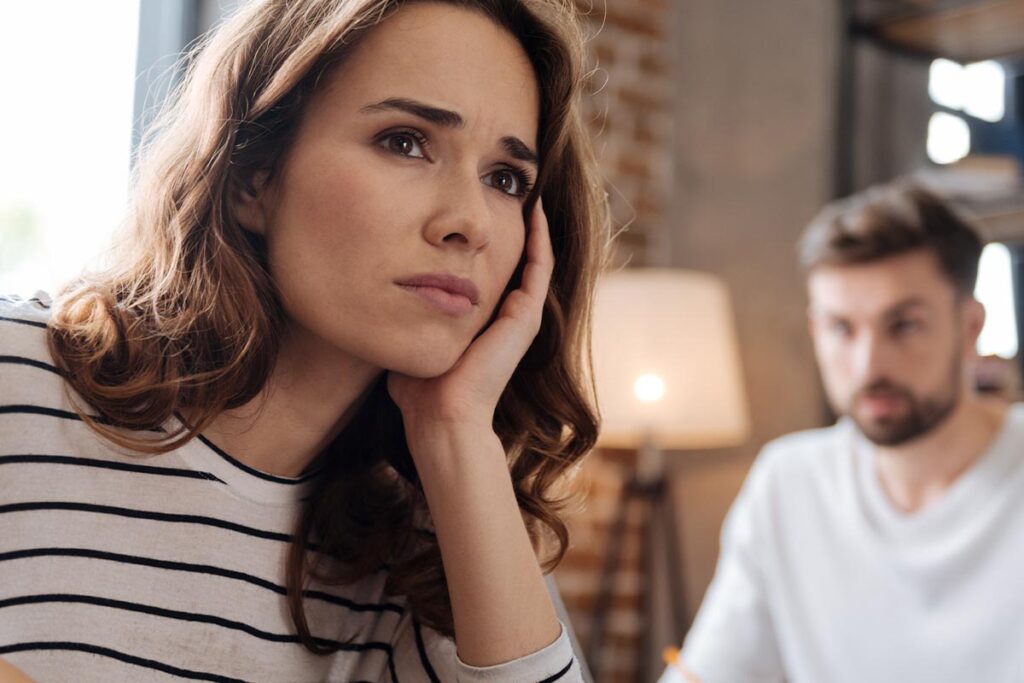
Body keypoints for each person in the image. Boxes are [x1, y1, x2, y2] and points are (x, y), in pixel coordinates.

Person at [0, 0, 609, 680]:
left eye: (505, 180)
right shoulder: (14, 383)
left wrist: (455, 426)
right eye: (404, 141)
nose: (470, 221)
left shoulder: (447, 554)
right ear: (253, 176)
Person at [662, 183, 1024, 683]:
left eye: (904, 325)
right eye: (842, 328)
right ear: (815, 330)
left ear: (970, 327)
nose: (869, 365)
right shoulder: (789, 483)